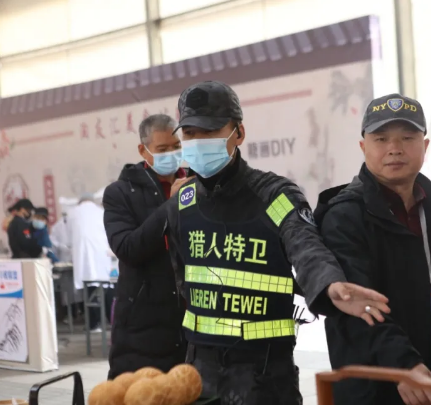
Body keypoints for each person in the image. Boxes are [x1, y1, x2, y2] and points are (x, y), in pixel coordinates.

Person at [136, 80, 390, 405]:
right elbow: (179, 278)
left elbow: (304, 244)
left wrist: (329, 284)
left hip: (265, 376)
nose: (198, 141)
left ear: (238, 133)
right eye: (190, 133)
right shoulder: (182, 204)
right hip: (199, 373)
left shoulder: (273, 196)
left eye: (210, 131)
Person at [314, 94, 431, 404]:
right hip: (384, 387)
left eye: (407, 138)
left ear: (425, 145)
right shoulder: (344, 216)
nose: (395, 148)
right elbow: (357, 309)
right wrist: (403, 365)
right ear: (363, 147)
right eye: (381, 139)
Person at [102, 114, 188, 378]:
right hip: (142, 326)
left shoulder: (197, 183)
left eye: (176, 146)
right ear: (143, 150)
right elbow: (127, 248)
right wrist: (172, 205)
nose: (171, 154)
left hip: (192, 321)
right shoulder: (120, 193)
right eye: (162, 149)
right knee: (141, 391)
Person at [68, 193, 113, 332]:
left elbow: (69, 238)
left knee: (90, 289)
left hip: (83, 260)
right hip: (102, 257)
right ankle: (112, 320)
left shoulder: (72, 213)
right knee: (106, 288)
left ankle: (94, 324)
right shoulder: (101, 212)